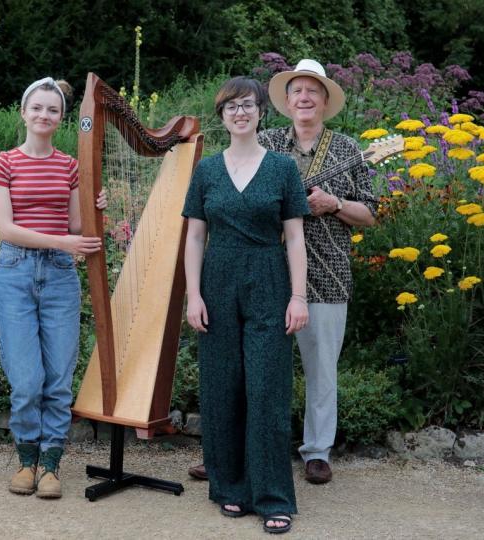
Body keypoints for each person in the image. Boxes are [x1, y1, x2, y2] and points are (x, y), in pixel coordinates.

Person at [188, 59, 379, 486]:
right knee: (249, 369)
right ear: (285, 101)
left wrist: (334, 204)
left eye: (314, 90)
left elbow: (370, 213)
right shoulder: (267, 143)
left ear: (326, 101)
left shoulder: (348, 149)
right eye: (297, 91)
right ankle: (232, 453)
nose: (305, 97)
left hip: (325, 273)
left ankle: (315, 451)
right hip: (263, 273)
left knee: (320, 367)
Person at [182, 76, 310, 535]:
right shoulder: (207, 171)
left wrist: (298, 296)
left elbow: (294, 236)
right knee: (221, 389)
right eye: (231, 106)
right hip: (216, 280)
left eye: (248, 105)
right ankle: (230, 488)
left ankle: (272, 495)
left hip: (269, 279)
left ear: (261, 112)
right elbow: (195, 236)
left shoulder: (282, 169)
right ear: (222, 116)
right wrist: (193, 294)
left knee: (267, 390)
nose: (240, 112)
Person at [0, 77, 106, 499]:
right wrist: (63, 242)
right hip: (15, 274)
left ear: (61, 118)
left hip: (59, 276)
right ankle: (25, 460)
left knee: (57, 378)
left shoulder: (70, 165)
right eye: (37, 107)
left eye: (52, 110)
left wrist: (95, 208)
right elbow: (6, 229)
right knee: (26, 380)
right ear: (23, 111)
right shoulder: (3, 163)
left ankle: (51, 465)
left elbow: (77, 227)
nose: (44, 115)